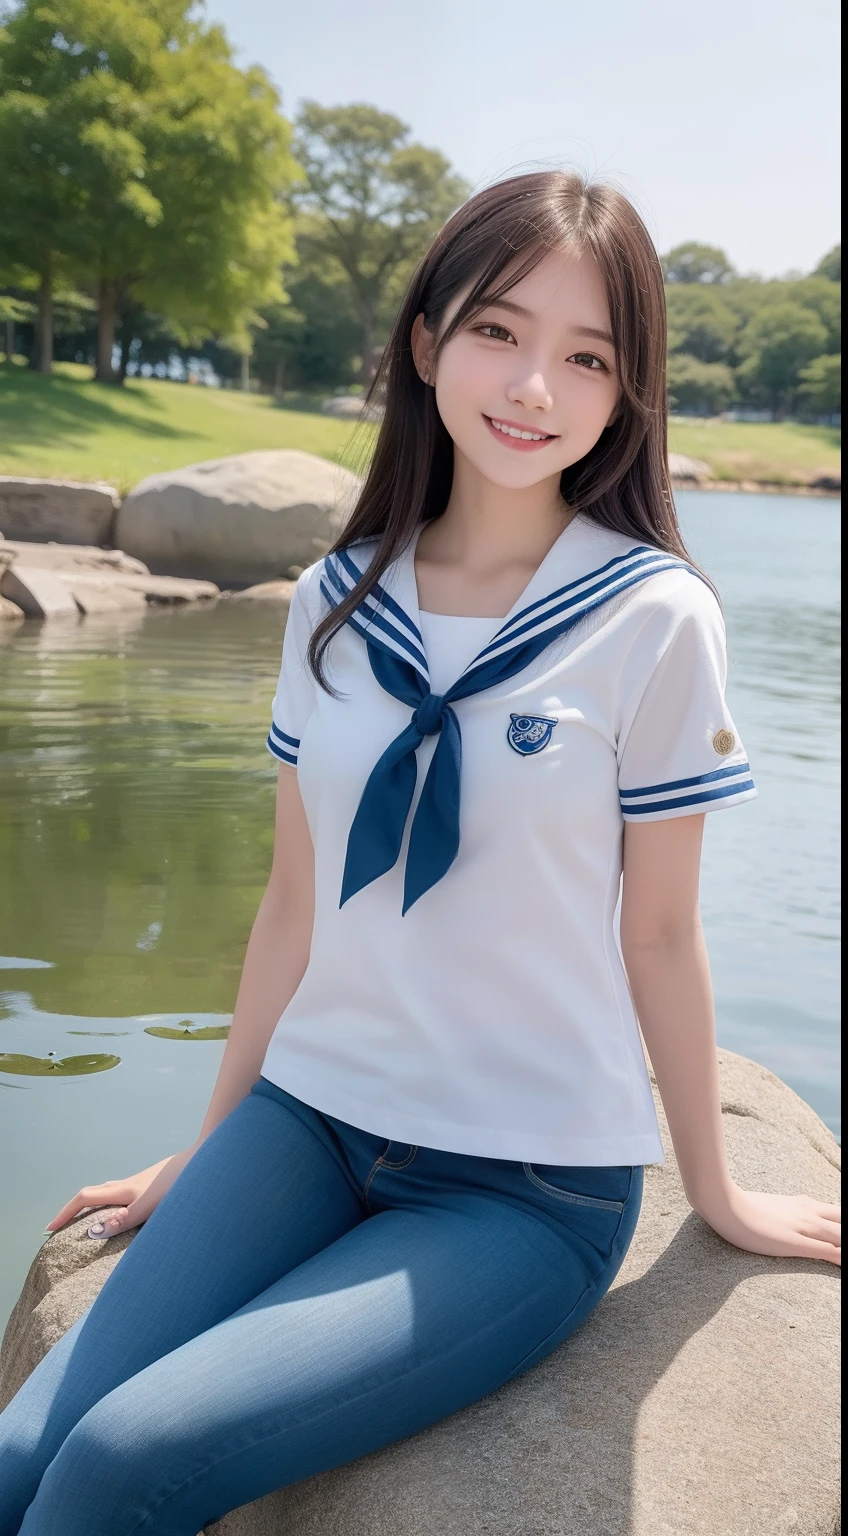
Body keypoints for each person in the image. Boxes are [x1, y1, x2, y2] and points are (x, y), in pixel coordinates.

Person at [0, 169, 839, 1536]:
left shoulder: (652, 618)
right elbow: (291, 904)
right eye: (500, 332)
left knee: (120, 1459)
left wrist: (721, 1186)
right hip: (308, 1120)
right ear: (426, 339)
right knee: (22, 1452)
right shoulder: (335, 598)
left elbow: (663, 936)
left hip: (521, 1187)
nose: (534, 387)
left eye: (588, 358)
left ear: (630, 395)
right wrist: (204, 1153)